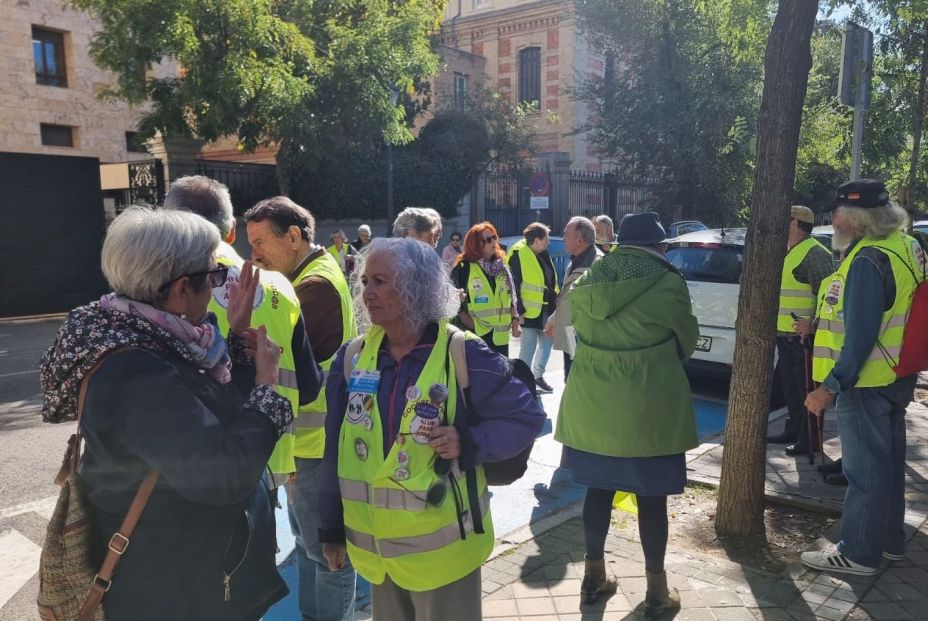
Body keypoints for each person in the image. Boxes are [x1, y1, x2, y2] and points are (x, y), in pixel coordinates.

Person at [39, 207, 295, 621]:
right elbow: (221, 473)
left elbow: (209, 415)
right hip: (171, 591)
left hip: (183, 576)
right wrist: (267, 391)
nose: (216, 289)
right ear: (179, 289)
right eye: (212, 278)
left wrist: (237, 341)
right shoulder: (137, 370)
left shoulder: (153, 338)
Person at [318, 237, 545, 621]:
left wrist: (468, 441)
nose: (367, 293)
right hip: (377, 554)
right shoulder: (353, 356)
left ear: (415, 288)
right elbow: (336, 449)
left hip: (443, 556)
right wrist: (330, 528)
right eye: (366, 282)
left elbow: (526, 417)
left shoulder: (463, 352)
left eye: (380, 282)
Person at [555, 212, 699, 615]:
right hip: (650, 410)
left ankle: (592, 578)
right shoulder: (670, 283)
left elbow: (566, 340)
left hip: (592, 407)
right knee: (652, 500)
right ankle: (656, 591)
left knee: (597, 492)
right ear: (657, 248)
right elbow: (686, 342)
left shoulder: (587, 280)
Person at [800, 180, 926, 576]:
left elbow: (859, 337)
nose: (832, 218)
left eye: (837, 212)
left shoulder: (868, 260)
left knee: (864, 473)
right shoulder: (907, 246)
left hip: (866, 382)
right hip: (898, 373)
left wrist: (828, 389)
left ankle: (857, 552)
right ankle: (888, 542)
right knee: (886, 466)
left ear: (856, 219)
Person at [244, 197, 359, 621]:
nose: (252, 253)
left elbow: (290, 370)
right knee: (312, 549)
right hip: (306, 444)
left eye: (260, 242)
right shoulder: (311, 276)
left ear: (293, 237)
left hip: (314, 444)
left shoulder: (312, 288)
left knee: (328, 553)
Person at [163, 175, 321, 481]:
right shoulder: (281, 286)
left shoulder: (166, 289)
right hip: (270, 457)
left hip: (197, 467)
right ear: (232, 232)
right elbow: (310, 387)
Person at [767, 205, 834, 457]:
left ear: (795, 224)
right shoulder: (791, 251)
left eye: (785, 220)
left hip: (804, 338)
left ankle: (809, 440)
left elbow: (829, 298)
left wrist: (813, 324)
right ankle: (795, 430)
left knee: (806, 389)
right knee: (791, 389)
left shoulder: (814, 254)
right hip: (786, 334)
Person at [544, 217, 603, 380]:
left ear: (580, 238)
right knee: (571, 378)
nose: (563, 238)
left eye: (566, 234)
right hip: (572, 335)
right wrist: (553, 319)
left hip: (584, 337)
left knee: (579, 381)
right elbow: (567, 298)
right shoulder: (575, 261)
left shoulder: (597, 264)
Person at [450, 222, 521, 356]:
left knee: (501, 375)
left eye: (494, 237)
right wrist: (467, 321)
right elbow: (452, 300)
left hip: (501, 339)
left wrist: (515, 321)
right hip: (476, 337)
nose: (493, 241)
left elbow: (511, 298)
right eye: (488, 239)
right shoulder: (464, 268)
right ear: (476, 244)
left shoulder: (502, 268)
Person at [506, 222, 558, 393]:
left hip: (547, 309)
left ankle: (537, 376)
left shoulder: (541, 252)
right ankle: (523, 381)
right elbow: (513, 284)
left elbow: (549, 280)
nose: (548, 242)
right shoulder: (518, 253)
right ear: (536, 240)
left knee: (547, 343)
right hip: (529, 311)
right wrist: (518, 311)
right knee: (528, 348)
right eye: (546, 239)